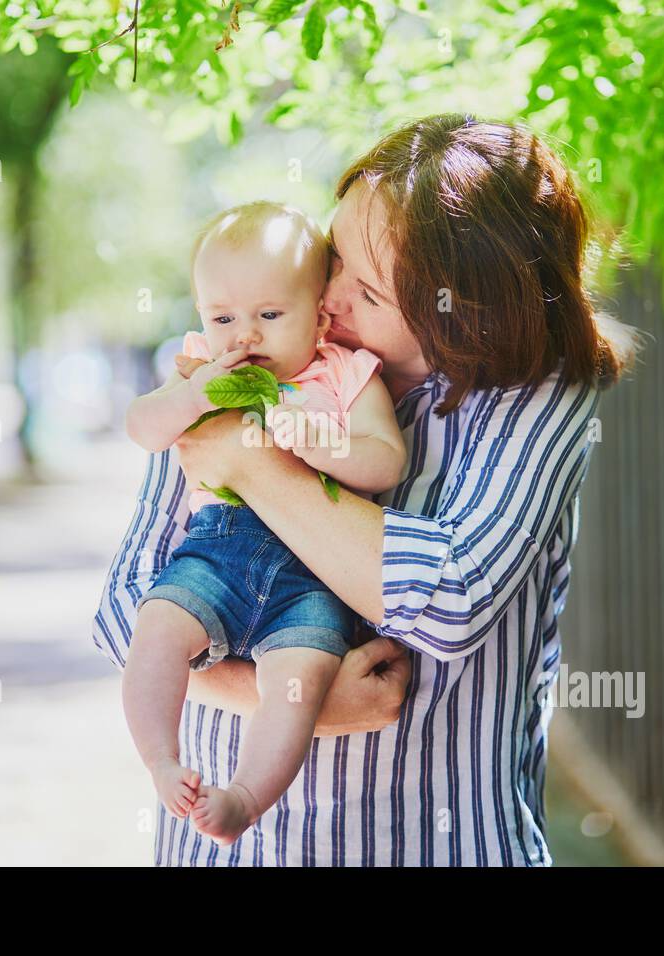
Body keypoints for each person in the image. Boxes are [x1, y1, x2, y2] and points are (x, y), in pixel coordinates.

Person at [93, 113, 638, 865]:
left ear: (464, 319)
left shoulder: (534, 395)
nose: (329, 295)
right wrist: (294, 701)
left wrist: (249, 461)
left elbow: (450, 597)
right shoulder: (234, 361)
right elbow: (126, 609)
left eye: (369, 292)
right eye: (336, 254)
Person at [120, 200, 405, 844]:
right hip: (217, 551)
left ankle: (246, 797)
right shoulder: (200, 367)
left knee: (298, 682)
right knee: (157, 629)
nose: (243, 336)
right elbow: (142, 427)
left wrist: (320, 443)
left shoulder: (344, 374)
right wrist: (191, 397)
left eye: (270, 316)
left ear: (319, 313)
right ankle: (162, 763)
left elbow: (385, 460)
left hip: (314, 574)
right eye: (222, 317)